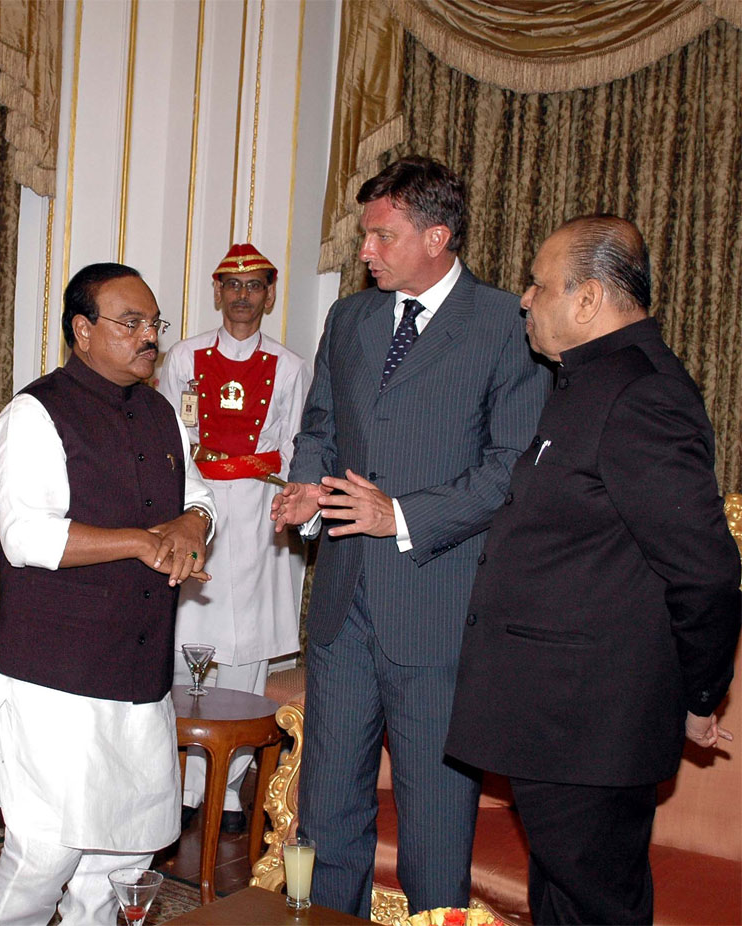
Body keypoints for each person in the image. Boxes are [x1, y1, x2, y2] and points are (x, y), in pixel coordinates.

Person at [270, 156, 550, 916]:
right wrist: (307, 486)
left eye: (381, 237)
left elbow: (510, 469)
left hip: (438, 610)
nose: (365, 251)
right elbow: (322, 427)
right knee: (326, 815)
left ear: (437, 236)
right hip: (341, 609)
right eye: (367, 236)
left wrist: (400, 515)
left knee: (434, 822)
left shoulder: (507, 326)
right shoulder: (352, 320)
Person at [445, 216, 741, 925]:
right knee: (563, 906)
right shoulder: (588, 381)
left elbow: (703, 572)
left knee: (595, 909)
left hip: (591, 724)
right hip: (562, 723)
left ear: (588, 300)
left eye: (540, 284)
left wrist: (699, 697)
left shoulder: (643, 394)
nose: (523, 298)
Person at [0, 262, 217, 924]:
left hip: (138, 675)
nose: (148, 337)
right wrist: (137, 541)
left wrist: (194, 525)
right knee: (46, 853)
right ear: (82, 330)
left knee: (121, 861)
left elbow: (200, 501)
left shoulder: (162, 413)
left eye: (153, 323)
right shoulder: (35, 413)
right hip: (58, 675)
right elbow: (25, 537)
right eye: (129, 323)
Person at [157, 243, 309, 833]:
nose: (243, 296)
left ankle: (231, 784)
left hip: (259, 511)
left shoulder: (293, 367)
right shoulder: (183, 357)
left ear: (269, 296)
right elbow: (170, 436)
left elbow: (298, 444)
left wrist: (290, 507)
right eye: (232, 285)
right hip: (199, 504)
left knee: (246, 646)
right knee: (185, 636)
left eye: (255, 286)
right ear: (217, 293)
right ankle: (184, 777)